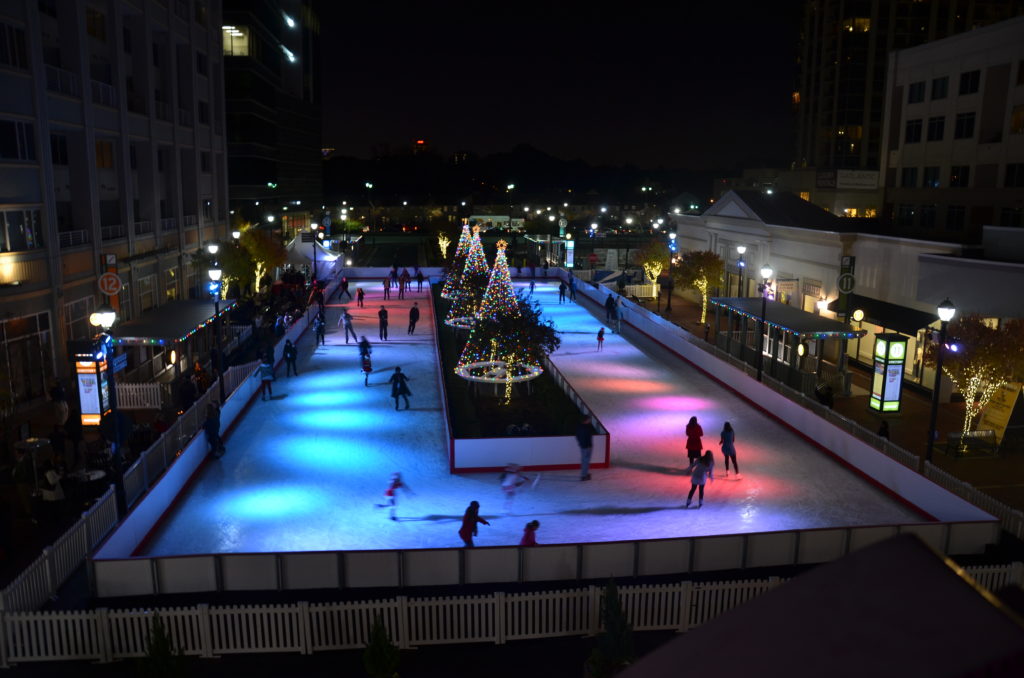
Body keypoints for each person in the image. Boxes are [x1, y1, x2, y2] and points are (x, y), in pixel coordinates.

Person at [576, 415, 597, 481]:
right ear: (586, 420)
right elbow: (587, 437)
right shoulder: (587, 428)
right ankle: (584, 476)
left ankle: (585, 474)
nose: (589, 420)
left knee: (585, 461)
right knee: (586, 461)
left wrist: (580, 443)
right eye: (589, 419)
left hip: (583, 446)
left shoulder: (579, 427)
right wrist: (589, 446)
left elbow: (577, 436)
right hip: (587, 446)